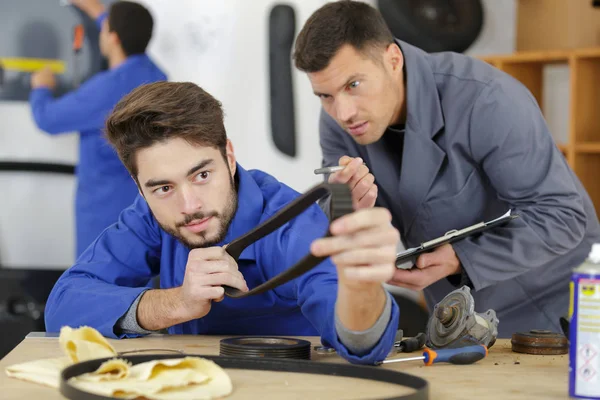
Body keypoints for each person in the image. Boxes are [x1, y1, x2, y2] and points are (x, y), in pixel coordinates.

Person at [292, 0, 600, 336]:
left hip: (563, 303)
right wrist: (347, 209)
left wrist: (461, 258)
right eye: (325, 95)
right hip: (464, 316)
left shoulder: (487, 99)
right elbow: (339, 219)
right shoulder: (337, 121)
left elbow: (563, 216)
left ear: (393, 60)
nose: (343, 112)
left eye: (353, 85)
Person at [44, 81, 401, 365]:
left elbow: (364, 345)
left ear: (228, 157)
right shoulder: (149, 216)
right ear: (140, 187)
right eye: (164, 187)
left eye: (201, 175)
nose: (190, 206)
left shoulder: (289, 224)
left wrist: (361, 286)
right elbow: (62, 305)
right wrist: (172, 304)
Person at [29, 0, 167, 257]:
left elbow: (47, 119)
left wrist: (40, 87)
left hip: (104, 215)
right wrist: (98, 12)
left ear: (113, 38)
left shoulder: (105, 90)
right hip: (145, 207)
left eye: (106, 29)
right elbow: (129, 39)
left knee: (96, 282)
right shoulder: (155, 76)